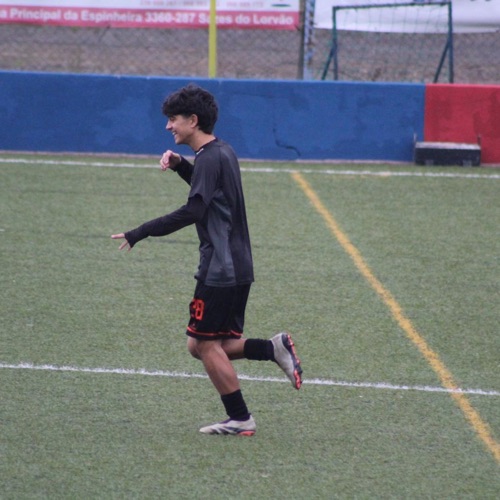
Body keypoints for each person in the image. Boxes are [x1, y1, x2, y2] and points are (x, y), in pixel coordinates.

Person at [111, 84, 302, 436]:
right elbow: (209, 190)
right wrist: (181, 165)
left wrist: (141, 232)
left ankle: (240, 418)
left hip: (220, 268)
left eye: (173, 119)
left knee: (203, 344)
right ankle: (273, 348)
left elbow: (195, 210)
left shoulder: (210, 158)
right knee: (198, 344)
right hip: (237, 264)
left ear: (193, 120)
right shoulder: (221, 151)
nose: (168, 126)